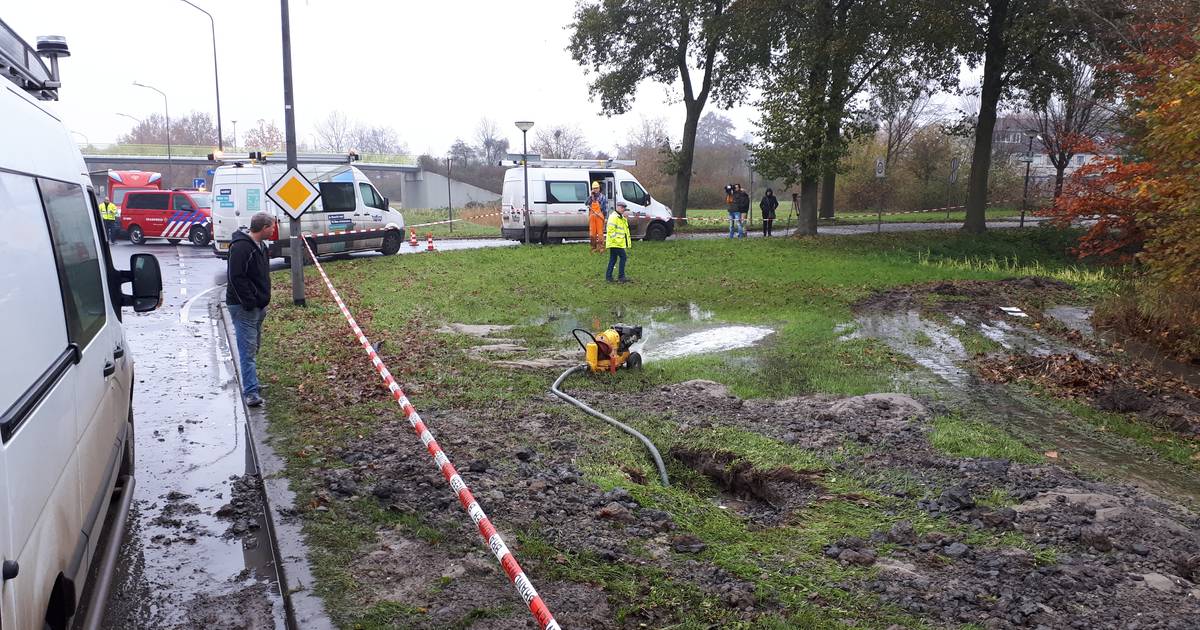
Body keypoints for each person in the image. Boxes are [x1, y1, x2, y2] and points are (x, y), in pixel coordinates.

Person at [226, 212, 275, 407]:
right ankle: (251, 392)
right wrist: (250, 302)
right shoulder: (241, 248)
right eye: (272, 227)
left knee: (253, 346)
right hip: (243, 307)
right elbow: (236, 277)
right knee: (247, 351)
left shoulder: (261, 247)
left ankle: (252, 381)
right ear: (264, 227)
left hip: (258, 306)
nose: (274, 230)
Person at [605, 201, 631, 283]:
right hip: (616, 243)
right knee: (623, 257)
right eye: (622, 207)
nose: (623, 209)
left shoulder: (620, 217)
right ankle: (621, 277)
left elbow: (624, 229)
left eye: (624, 208)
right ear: (617, 207)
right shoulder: (614, 217)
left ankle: (609, 277)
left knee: (613, 259)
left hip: (615, 242)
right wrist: (616, 240)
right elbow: (610, 230)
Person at [588, 181, 608, 253]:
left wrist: (606, 218)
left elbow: (605, 208)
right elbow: (586, 203)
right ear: (592, 189)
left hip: (599, 217)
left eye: (596, 188)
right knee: (592, 234)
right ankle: (593, 247)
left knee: (600, 234)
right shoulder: (590, 197)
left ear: (599, 188)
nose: (595, 190)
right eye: (594, 188)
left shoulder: (603, 197)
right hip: (592, 218)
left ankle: (601, 247)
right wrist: (591, 196)